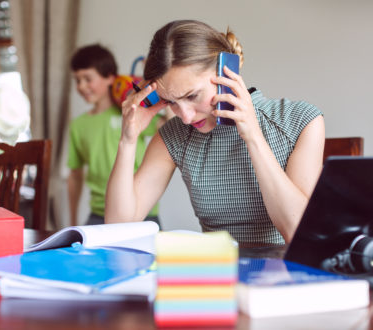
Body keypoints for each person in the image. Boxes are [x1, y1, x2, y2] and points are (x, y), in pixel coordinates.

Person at [105, 20, 325, 244]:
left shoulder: (301, 120)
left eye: (192, 96)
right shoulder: (174, 135)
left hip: (285, 273)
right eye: (171, 102)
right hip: (215, 273)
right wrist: (128, 140)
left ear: (228, 73)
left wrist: (253, 137)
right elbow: (117, 227)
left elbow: (298, 233)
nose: (186, 117)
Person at [67, 44, 163, 226]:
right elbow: (75, 175)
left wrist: (154, 82)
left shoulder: (132, 113)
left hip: (142, 212)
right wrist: (72, 220)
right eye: (77, 80)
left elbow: (168, 126)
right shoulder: (77, 125)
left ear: (111, 78)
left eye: (87, 78)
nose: (81, 86)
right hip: (98, 216)